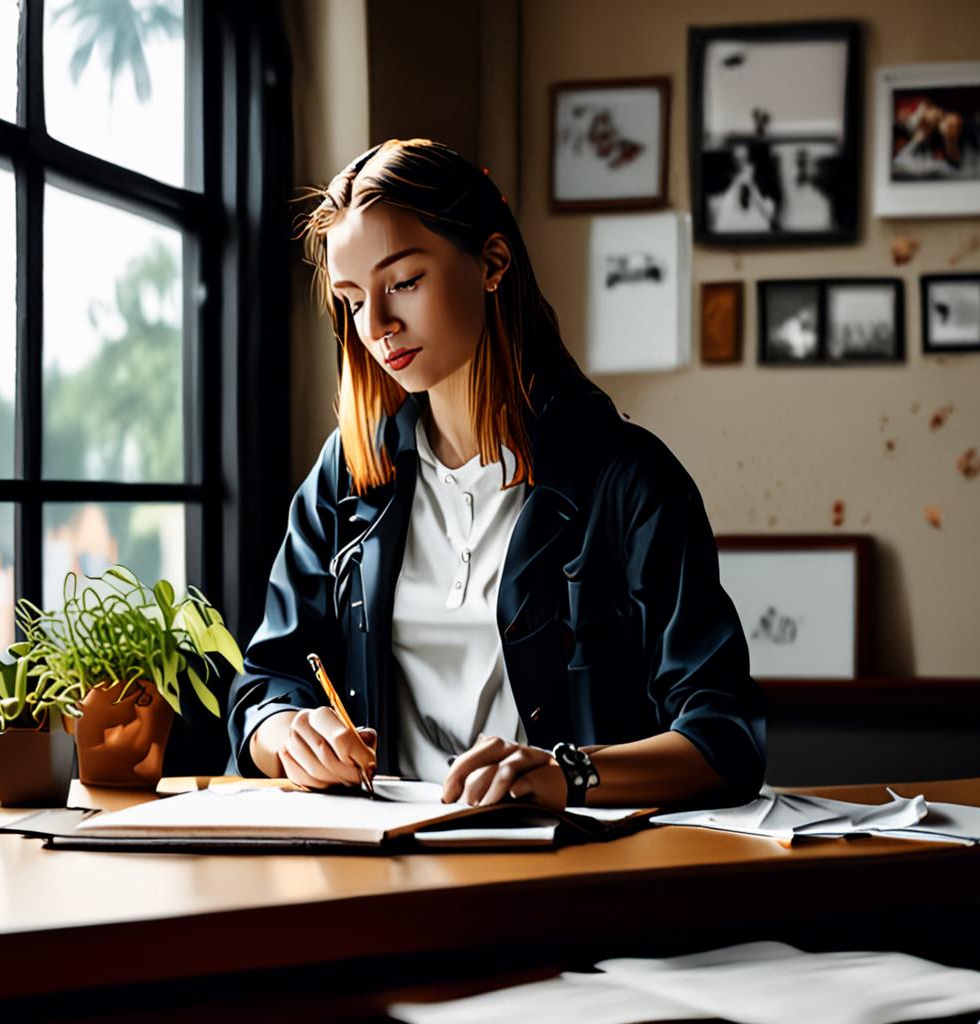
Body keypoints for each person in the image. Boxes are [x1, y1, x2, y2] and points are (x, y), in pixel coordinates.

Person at [226, 138, 765, 810]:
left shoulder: (630, 481)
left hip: (570, 880)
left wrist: (567, 774)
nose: (379, 324)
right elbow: (264, 684)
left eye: (404, 282)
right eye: (353, 299)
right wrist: (287, 733)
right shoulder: (347, 474)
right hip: (383, 870)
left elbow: (726, 737)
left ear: (492, 262)